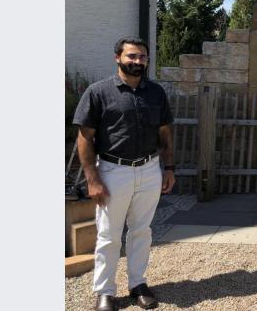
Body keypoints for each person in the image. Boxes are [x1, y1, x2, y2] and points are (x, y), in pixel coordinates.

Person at [73, 37, 176, 311]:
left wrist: (169, 168)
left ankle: (138, 284)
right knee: (108, 234)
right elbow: (84, 138)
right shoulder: (98, 92)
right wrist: (92, 178)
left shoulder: (156, 93)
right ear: (118, 58)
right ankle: (105, 291)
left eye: (142, 57)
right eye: (132, 56)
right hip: (112, 171)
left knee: (142, 231)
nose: (138, 61)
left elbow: (165, 133)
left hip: (150, 169)